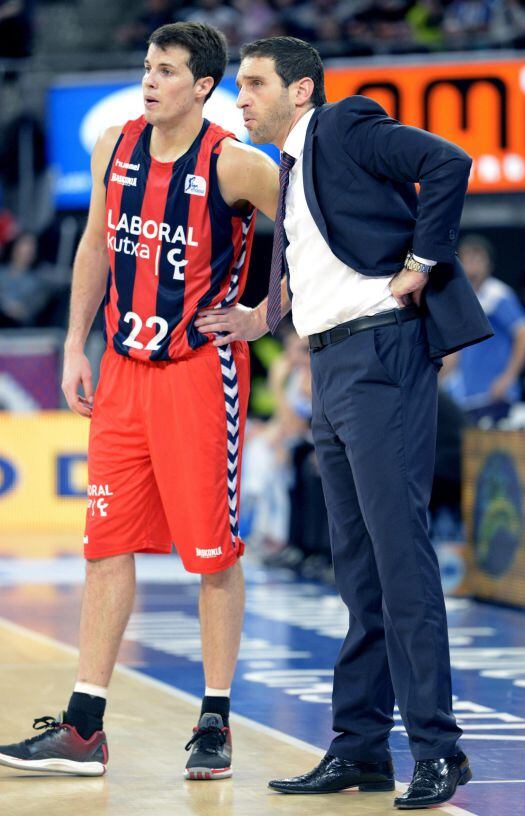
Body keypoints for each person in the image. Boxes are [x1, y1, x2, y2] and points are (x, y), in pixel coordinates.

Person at [197, 36, 492, 809]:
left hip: (380, 356)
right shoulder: (292, 168)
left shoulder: (343, 126)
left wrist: (422, 265)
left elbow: (448, 163)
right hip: (329, 367)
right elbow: (317, 256)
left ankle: (439, 750)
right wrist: (266, 315)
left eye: (255, 83)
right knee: (356, 573)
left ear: (300, 92)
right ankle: (360, 746)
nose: (242, 98)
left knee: (399, 563)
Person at [0, 22, 278, 781]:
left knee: (212, 554)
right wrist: (71, 345)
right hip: (122, 367)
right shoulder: (111, 148)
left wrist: (267, 312)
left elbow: (312, 226)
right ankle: (84, 727)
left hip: (197, 369)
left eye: (166, 70)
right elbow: (95, 244)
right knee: (104, 545)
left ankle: (214, 720)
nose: (150, 80)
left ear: (203, 86)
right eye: (146, 66)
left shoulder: (236, 164)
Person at [441, 234, 525, 426]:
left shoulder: (497, 295)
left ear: (489, 264)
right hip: (464, 396)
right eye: (467, 259)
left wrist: (508, 378)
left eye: (478, 258)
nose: (472, 265)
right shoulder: (460, 299)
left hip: (493, 395)